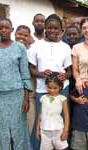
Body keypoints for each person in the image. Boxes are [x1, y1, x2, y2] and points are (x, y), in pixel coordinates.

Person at [0, 17, 33, 150]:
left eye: (7, 27)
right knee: (0, 128)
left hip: (17, 95)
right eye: (0, 28)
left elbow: (25, 74)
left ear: (12, 29)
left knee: (18, 128)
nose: (3, 30)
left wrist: (26, 98)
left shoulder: (20, 48)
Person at [28, 14, 72, 150]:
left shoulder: (65, 47)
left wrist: (66, 76)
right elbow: (31, 69)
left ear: (61, 30)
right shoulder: (36, 46)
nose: (52, 31)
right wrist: (41, 74)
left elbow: (69, 71)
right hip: (43, 90)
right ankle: (38, 147)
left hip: (62, 89)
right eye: (50, 28)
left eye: (56, 28)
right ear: (45, 28)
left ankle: (61, 145)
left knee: (61, 119)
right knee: (41, 120)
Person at [36, 72, 69, 150]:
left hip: (58, 130)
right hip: (44, 131)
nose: (52, 90)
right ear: (46, 86)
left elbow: (66, 115)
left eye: (55, 88)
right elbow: (40, 114)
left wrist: (65, 131)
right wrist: (37, 130)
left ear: (60, 87)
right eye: (49, 88)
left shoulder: (62, 99)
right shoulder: (43, 98)